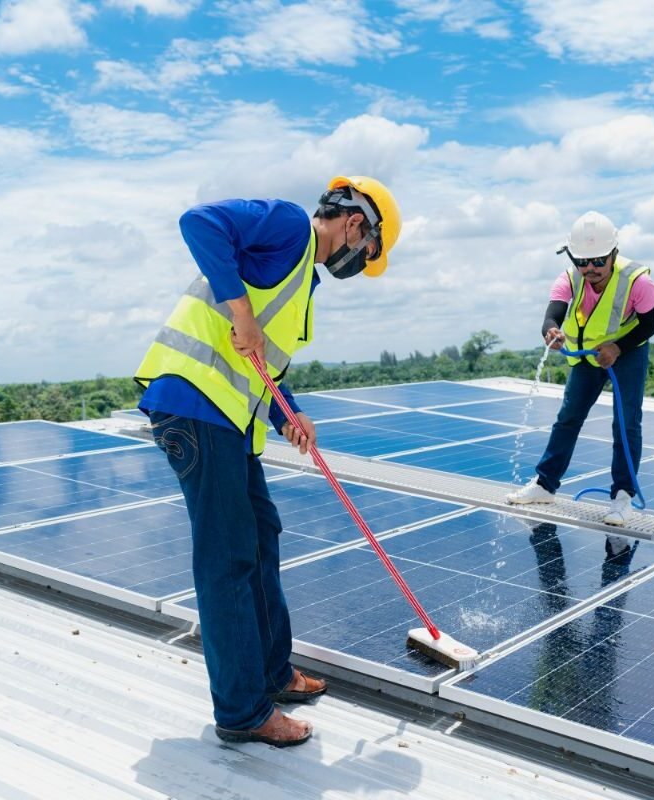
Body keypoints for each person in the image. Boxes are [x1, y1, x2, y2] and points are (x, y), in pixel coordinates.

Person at [134, 176, 401, 747]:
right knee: (229, 558)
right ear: (356, 223)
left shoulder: (302, 277)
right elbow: (198, 223)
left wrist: (289, 416)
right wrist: (240, 312)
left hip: (229, 420)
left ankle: (272, 675)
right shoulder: (288, 225)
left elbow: (264, 369)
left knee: (261, 536)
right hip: (194, 408)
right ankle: (242, 712)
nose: (362, 261)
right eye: (370, 249)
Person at [507, 210, 654, 526]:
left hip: (627, 352)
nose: (589, 268)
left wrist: (618, 347)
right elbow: (552, 316)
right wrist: (552, 331)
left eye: (597, 261)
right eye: (582, 261)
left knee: (626, 422)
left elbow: (650, 324)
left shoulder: (637, 280)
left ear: (613, 253)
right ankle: (545, 485)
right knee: (568, 418)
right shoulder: (569, 278)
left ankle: (622, 497)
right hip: (588, 358)